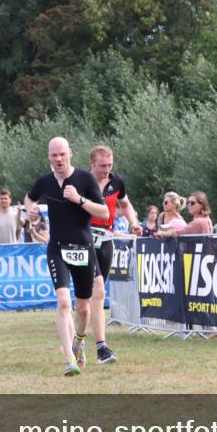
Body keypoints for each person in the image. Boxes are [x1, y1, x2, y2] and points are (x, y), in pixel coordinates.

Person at [25, 137, 109, 376]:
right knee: (63, 301)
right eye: (54, 155)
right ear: (49, 157)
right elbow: (30, 198)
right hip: (57, 247)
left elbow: (103, 213)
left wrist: (79, 200)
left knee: (83, 309)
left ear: (70, 153)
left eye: (62, 154)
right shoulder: (45, 182)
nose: (59, 159)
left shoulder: (85, 179)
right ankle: (69, 359)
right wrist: (30, 210)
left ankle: (78, 343)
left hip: (83, 248)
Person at [80, 145, 141, 367]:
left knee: (95, 294)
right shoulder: (81, 181)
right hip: (84, 237)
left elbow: (125, 204)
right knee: (95, 291)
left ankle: (88, 344)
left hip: (106, 239)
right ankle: (99, 347)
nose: (107, 170)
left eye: (110, 165)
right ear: (92, 164)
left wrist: (133, 222)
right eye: (102, 166)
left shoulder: (117, 182)